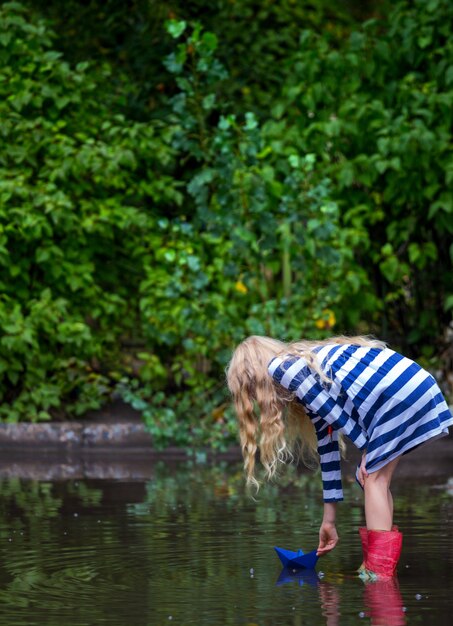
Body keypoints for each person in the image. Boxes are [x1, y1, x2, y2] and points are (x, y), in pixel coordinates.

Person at [226, 335, 453, 580]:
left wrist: (366, 449)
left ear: (256, 380)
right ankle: (380, 568)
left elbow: (335, 414)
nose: (258, 402)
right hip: (413, 385)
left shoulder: (282, 368)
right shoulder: (308, 374)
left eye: (252, 394)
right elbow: (328, 446)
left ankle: (378, 572)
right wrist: (329, 520)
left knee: (372, 478)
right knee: (374, 479)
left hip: (398, 393)